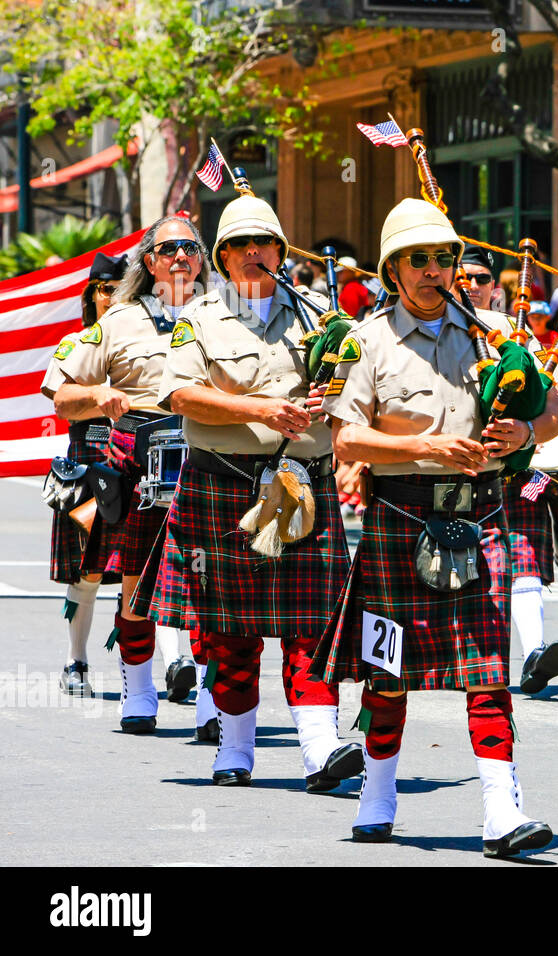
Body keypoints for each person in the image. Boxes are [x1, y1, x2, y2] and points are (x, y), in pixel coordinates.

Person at [310, 198, 558, 856]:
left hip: (478, 516)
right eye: (418, 260)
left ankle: (500, 810)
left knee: (487, 672)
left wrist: (524, 431)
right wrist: (427, 451)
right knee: (386, 671)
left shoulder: (494, 336)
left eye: (444, 259)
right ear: (392, 270)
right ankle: (377, 793)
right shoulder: (362, 342)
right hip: (399, 517)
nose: (434, 270)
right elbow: (346, 443)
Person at [130, 194, 361, 791]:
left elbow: (358, 386)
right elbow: (180, 396)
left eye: (266, 244)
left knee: (315, 625)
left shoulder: (320, 315)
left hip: (303, 486)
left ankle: (319, 748)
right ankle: (235, 749)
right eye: (240, 245)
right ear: (224, 258)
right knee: (232, 627)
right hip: (223, 485)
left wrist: (333, 391)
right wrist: (263, 408)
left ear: (282, 252)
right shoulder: (197, 319)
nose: (254, 253)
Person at [49, 217, 209, 735]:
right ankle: (138, 690)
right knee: (135, 586)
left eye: (190, 247)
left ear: (203, 258)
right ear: (149, 261)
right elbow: (60, 392)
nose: (180, 256)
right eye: (169, 249)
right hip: (136, 461)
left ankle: (215, 703)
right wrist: (97, 395)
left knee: (214, 585)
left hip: (213, 457)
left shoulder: (227, 316)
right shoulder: (117, 320)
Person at [461, 241, 558, 694]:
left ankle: (534, 652)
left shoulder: (518, 335)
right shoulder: (436, 328)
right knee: (467, 565)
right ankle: (470, 661)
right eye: (461, 276)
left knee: (522, 553)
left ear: (496, 289)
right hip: (457, 469)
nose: (470, 285)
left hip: (518, 468)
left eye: (481, 278)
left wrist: (527, 431)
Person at [42, 251, 127, 698]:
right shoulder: (74, 344)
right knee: (88, 571)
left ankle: (173, 666)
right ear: (92, 294)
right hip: (89, 469)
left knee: (146, 569)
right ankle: (76, 661)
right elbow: (62, 402)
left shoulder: (143, 343)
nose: (113, 298)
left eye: (121, 289)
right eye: (106, 289)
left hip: (138, 467)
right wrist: (111, 397)